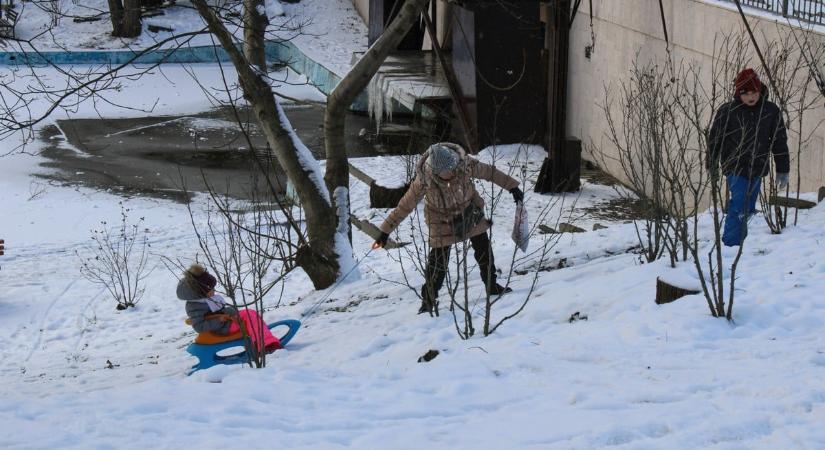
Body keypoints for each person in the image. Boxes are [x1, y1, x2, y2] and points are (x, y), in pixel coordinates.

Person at [372, 142, 523, 315]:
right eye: (446, 171)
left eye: (452, 168)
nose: (451, 173)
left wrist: (512, 187)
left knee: (484, 249)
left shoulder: (464, 165)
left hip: (469, 212)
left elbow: (490, 172)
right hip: (440, 220)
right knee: (438, 263)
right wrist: (384, 232)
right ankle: (428, 300)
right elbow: (404, 206)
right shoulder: (424, 180)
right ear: (435, 171)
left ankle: (492, 285)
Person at [708, 68, 789, 247]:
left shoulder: (770, 111)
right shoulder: (729, 111)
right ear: (739, 93)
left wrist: (783, 169)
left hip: (758, 166)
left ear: (760, 91)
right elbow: (715, 138)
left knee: (748, 208)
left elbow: (779, 140)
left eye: (754, 93)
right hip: (735, 166)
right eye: (746, 94)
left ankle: (739, 242)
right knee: (739, 206)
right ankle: (730, 246)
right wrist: (711, 164)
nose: (751, 97)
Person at [177, 264, 281, 353]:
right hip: (220, 329)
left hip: (226, 323)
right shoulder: (195, 306)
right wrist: (219, 320)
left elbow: (221, 310)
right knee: (250, 316)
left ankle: (262, 341)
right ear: (199, 292)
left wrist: (230, 312)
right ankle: (266, 346)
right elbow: (199, 326)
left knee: (250, 314)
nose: (214, 291)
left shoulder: (207, 299)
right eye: (210, 289)